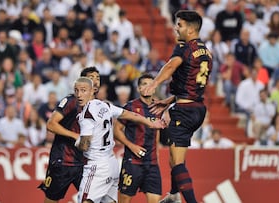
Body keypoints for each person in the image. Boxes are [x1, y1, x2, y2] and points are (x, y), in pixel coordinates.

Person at [143, 10, 212, 203]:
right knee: (174, 160)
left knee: (177, 163)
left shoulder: (184, 48)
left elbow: (171, 66)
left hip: (185, 111)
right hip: (197, 108)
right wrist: (168, 101)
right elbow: (192, 85)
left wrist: (154, 84)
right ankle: (174, 194)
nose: (176, 28)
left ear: (190, 29)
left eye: (179, 25)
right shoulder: (206, 52)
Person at [74, 77, 165, 203]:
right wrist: (149, 122)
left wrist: (77, 141)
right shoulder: (105, 105)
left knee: (85, 200)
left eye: (83, 90)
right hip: (111, 163)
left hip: (96, 165)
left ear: (92, 91)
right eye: (76, 91)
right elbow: (129, 115)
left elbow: (84, 145)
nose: (79, 95)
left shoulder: (86, 115)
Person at [37, 67, 101, 203]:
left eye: (97, 78)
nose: (95, 81)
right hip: (63, 161)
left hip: (85, 164)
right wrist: (75, 136)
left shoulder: (99, 106)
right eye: (91, 77)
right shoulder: (71, 101)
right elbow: (51, 124)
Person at [114, 74, 163, 203]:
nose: (148, 87)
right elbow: (116, 130)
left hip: (152, 163)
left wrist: (156, 154)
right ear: (139, 89)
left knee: (155, 200)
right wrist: (131, 146)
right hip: (132, 162)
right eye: (144, 84)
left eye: (151, 84)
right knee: (124, 199)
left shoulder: (158, 108)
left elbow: (156, 132)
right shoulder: (130, 107)